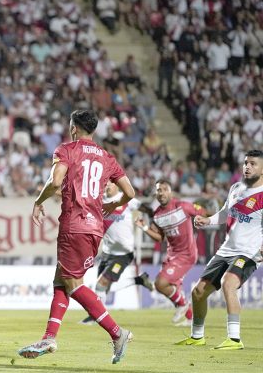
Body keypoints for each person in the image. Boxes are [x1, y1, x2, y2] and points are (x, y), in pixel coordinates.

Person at [18, 110, 135, 364]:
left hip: (74, 225)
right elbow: (130, 191)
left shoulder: (67, 149)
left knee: (74, 285)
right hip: (94, 228)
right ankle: (49, 337)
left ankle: (118, 333)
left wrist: (39, 202)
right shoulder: (106, 157)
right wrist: (114, 204)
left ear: (73, 128)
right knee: (61, 281)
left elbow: (55, 180)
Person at [177, 150, 263, 350]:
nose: (247, 167)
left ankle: (234, 339)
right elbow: (225, 213)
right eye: (245, 163)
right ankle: (197, 336)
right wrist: (207, 220)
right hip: (226, 250)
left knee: (228, 283)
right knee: (198, 292)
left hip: (248, 252)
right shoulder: (236, 188)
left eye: (252, 164)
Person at [80, 181, 154, 324]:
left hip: (124, 254)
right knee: (102, 288)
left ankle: (97, 318)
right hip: (107, 252)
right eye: (104, 184)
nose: (106, 186)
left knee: (101, 285)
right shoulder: (99, 201)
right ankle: (138, 280)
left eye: (109, 184)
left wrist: (152, 220)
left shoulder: (126, 199)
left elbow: (146, 209)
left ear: (117, 186)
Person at [137, 180, 202, 325]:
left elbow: (202, 212)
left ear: (170, 192)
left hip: (186, 254)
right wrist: (145, 227)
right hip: (172, 255)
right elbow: (160, 238)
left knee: (161, 283)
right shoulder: (157, 215)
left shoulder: (182, 206)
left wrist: (212, 218)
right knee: (173, 288)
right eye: (159, 190)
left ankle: (181, 305)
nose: (161, 193)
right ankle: (191, 319)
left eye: (164, 189)